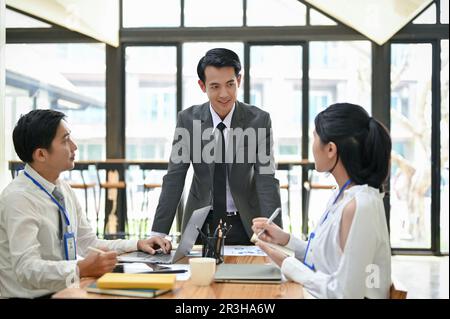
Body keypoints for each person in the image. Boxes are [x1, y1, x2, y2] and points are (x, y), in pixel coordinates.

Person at [0, 110, 172, 298]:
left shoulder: (62, 188)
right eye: (65, 140)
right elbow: (26, 269)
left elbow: (89, 243)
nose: (74, 146)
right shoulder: (18, 199)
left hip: (65, 290)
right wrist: (80, 268)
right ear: (41, 154)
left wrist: (138, 244)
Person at [252, 103, 392, 299]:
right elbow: (324, 260)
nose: (312, 145)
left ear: (331, 149)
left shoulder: (361, 206)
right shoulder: (343, 196)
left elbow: (346, 293)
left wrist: (286, 263)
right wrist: (285, 239)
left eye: (314, 137)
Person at [152, 48, 282, 245]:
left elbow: (266, 179)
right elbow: (174, 178)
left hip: (246, 223)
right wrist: (158, 233)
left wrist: (276, 233)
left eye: (230, 84)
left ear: (239, 80)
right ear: (202, 86)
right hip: (201, 224)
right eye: (215, 86)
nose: (224, 94)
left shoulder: (259, 121)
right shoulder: (187, 121)